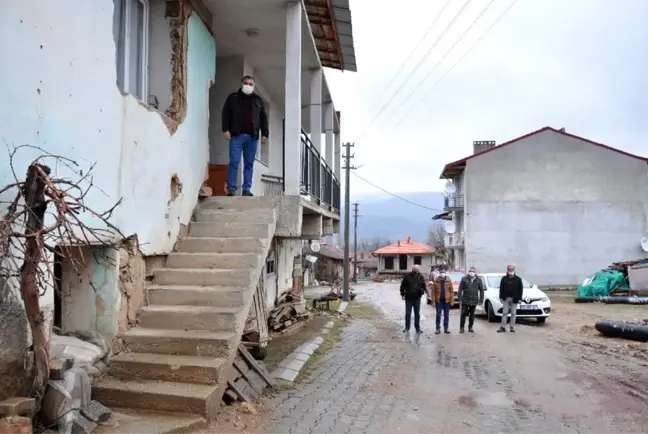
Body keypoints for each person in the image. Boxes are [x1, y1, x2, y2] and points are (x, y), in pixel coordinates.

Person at [221, 75, 269, 197]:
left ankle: (246, 189)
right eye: (246, 83)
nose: (248, 85)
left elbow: (263, 118)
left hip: (252, 137)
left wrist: (265, 134)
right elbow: (225, 114)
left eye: (251, 84)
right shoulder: (233, 97)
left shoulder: (258, 100)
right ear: (242, 84)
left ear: (254, 85)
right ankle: (231, 188)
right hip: (236, 135)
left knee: (249, 164)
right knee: (234, 162)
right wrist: (226, 130)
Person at [400, 265, 427, 334]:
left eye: (418, 269)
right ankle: (407, 328)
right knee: (408, 313)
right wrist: (402, 294)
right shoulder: (407, 276)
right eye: (415, 269)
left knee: (417, 313)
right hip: (409, 298)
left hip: (417, 298)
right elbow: (402, 286)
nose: (416, 270)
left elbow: (424, 286)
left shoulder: (421, 277)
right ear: (412, 269)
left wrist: (423, 292)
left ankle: (417, 328)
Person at [458, 266, 484, 333]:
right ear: (468, 272)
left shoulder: (478, 279)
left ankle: (470, 327)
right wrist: (460, 298)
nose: (471, 272)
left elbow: (481, 290)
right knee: (463, 313)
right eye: (470, 271)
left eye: (473, 271)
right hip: (465, 299)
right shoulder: (464, 279)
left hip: (474, 299)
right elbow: (460, 289)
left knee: (472, 314)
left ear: (475, 272)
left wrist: (481, 300)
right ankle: (462, 327)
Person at [498, 264, 523, 333]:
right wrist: (501, 297)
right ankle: (502, 327)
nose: (511, 270)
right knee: (505, 312)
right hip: (506, 298)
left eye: (512, 269)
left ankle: (512, 327)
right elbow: (501, 288)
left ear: (514, 270)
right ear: (507, 270)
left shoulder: (518, 279)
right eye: (509, 269)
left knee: (513, 313)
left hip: (515, 299)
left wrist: (520, 298)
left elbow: (520, 290)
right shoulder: (504, 279)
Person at [432, 266, 454, 334]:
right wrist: (433, 301)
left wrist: (452, 300)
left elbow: (451, 291)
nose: (442, 273)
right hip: (439, 301)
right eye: (441, 272)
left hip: (447, 301)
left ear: (445, 272)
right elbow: (433, 292)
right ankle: (438, 328)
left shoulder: (448, 280)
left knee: (446, 315)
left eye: (443, 272)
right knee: (438, 315)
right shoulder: (436, 280)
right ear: (439, 273)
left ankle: (446, 328)